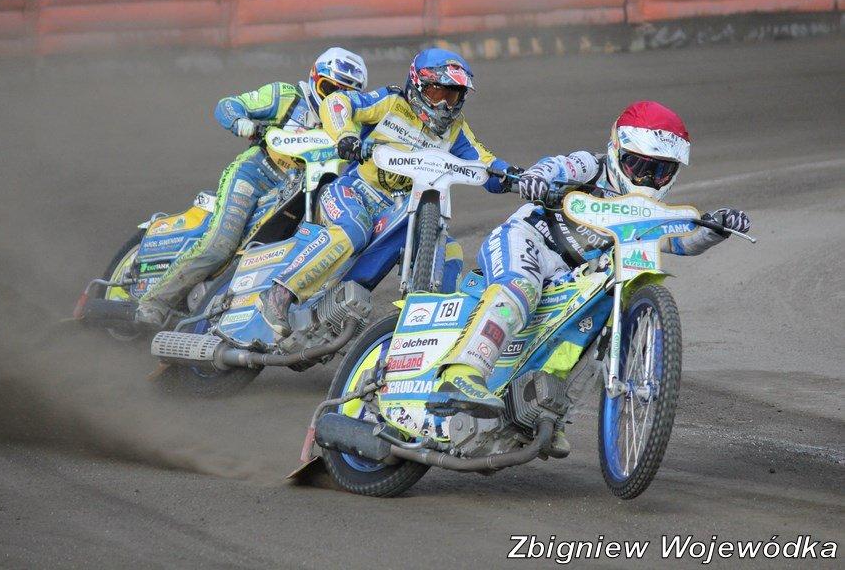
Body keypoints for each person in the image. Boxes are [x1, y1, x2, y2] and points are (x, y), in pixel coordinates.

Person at [428, 100, 752, 456]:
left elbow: (678, 242)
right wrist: (537, 178)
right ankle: (462, 372)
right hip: (529, 240)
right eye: (638, 165)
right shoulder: (591, 165)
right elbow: (556, 165)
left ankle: (548, 413)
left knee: (597, 332)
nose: (646, 178)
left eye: (660, 171)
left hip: (571, 278)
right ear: (616, 150)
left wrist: (714, 230)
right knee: (521, 286)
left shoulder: (648, 212)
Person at [258, 48, 522, 336]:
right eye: (437, 93)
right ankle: (279, 293)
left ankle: (432, 332)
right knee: (353, 228)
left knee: (451, 251)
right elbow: (337, 101)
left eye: (453, 96)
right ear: (417, 85)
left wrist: (517, 177)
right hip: (353, 192)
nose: (445, 105)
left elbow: (486, 163)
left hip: (401, 209)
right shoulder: (390, 102)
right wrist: (346, 136)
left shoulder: (457, 130)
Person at [135, 47, 368, 327]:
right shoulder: (286, 96)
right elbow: (228, 105)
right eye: (329, 89)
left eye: (345, 95)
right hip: (255, 174)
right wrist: (242, 123)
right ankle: (154, 302)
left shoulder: (351, 124)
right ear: (314, 78)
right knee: (220, 245)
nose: (334, 100)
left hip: (304, 191)